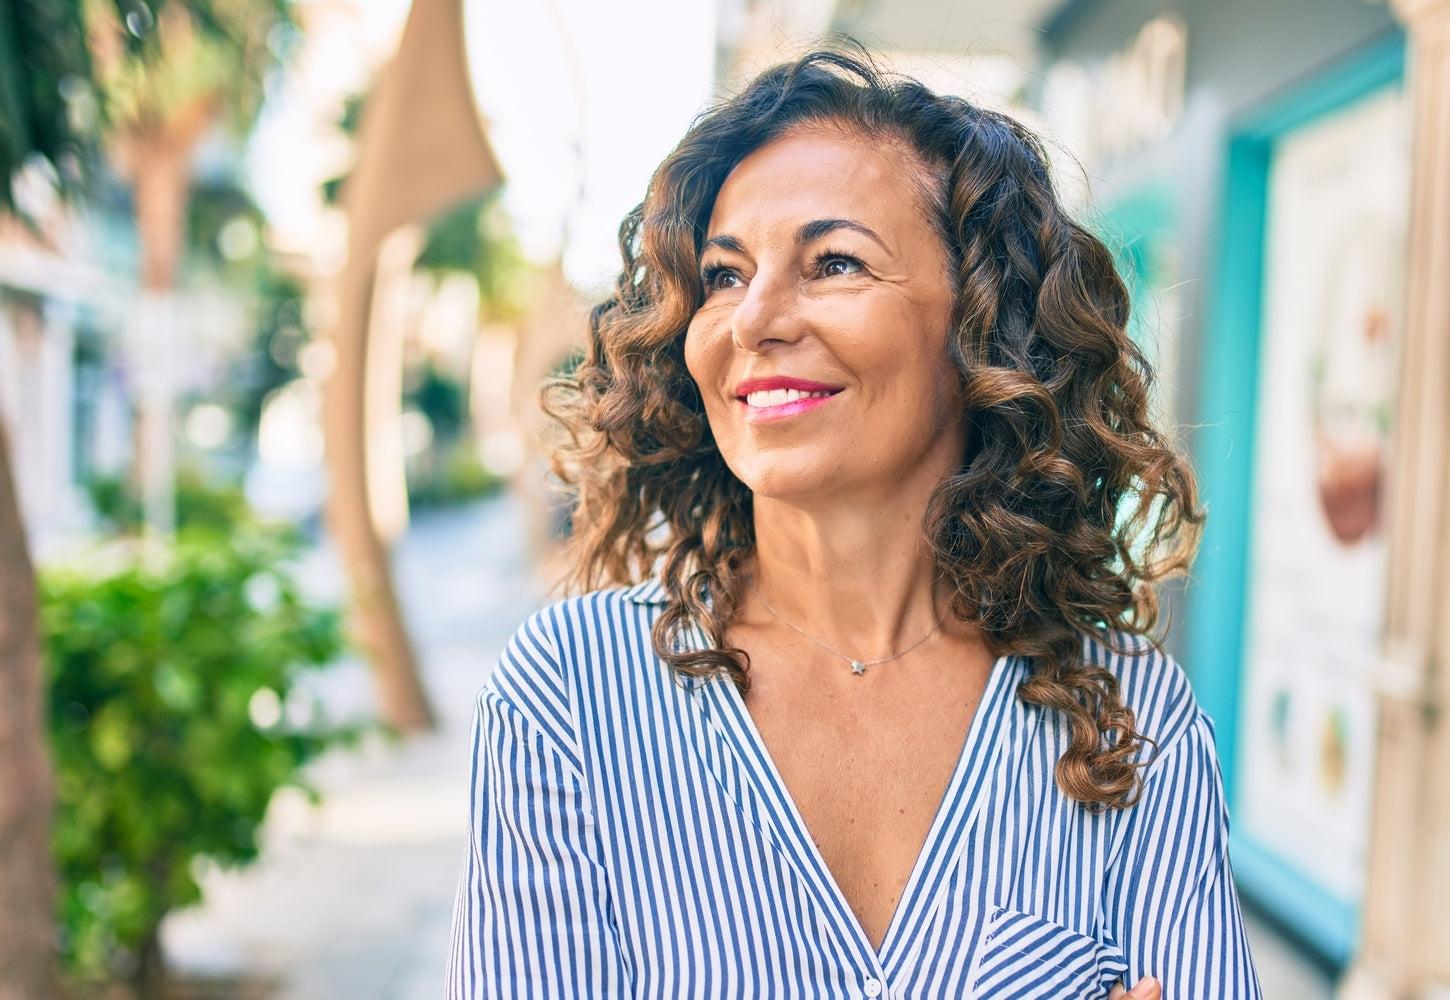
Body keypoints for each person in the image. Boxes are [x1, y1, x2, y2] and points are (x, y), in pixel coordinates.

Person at [445, 44, 1263, 1000]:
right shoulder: (570, 699)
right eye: (722, 275)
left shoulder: (1131, 724)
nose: (753, 320)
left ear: (981, 326)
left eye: (834, 262)